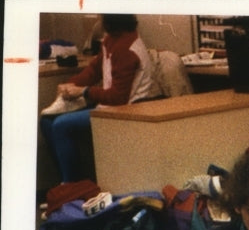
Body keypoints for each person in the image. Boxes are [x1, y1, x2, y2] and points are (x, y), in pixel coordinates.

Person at [39, 14, 161, 183]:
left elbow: (118, 97)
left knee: (61, 125)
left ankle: (71, 187)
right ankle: (70, 181)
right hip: (109, 106)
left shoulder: (127, 48)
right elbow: (94, 71)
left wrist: (83, 91)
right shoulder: (111, 40)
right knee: (47, 121)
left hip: (125, 110)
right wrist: (69, 85)